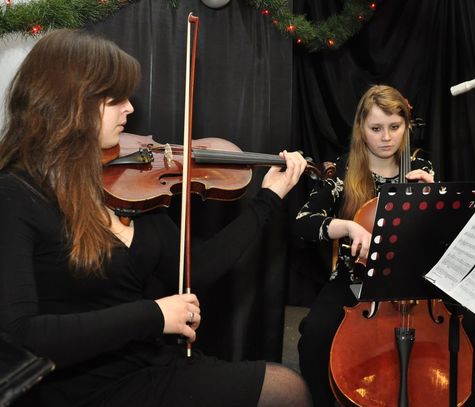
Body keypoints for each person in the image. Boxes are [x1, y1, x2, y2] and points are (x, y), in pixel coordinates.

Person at [0, 29, 312, 407]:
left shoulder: (126, 187)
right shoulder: (17, 194)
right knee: (287, 391)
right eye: (115, 98)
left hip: (147, 360)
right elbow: (22, 335)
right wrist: (154, 315)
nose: (129, 108)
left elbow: (197, 269)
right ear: (70, 102)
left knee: (288, 388)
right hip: (80, 387)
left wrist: (268, 199)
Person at [293, 84, 436, 406]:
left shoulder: (421, 170)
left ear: (406, 127)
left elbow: (433, 236)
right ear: (361, 129)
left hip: (409, 281)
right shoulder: (345, 169)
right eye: (376, 128)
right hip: (354, 279)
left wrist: (432, 198)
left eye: (395, 127)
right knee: (315, 335)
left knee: (467, 330)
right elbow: (303, 222)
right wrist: (347, 226)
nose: (386, 137)